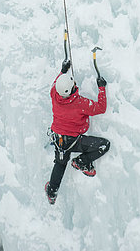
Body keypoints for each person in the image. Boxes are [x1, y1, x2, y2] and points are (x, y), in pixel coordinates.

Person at [45, 58, 110, 204]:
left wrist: (63, 70)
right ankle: (81, 162)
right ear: (72, 88)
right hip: (74, 141)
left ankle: (51, 192)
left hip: (59, 140)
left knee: (60, 164)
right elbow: (101, 108)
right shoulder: (80, 103)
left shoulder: (54, 95)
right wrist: (101, 88)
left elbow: (56, 83)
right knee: (104, 145)